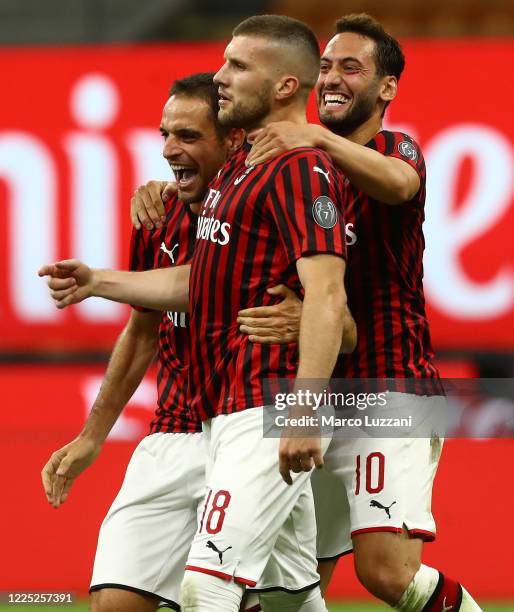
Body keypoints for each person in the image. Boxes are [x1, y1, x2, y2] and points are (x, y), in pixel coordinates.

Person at [40, 15, 353, 612]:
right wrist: (100, 281)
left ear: (285, 85)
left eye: (237, 65)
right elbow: (202, 282)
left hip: (269, 402)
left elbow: (332, 297)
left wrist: (305, 409)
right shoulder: (231, 176)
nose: (222, 75)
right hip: (215, 411)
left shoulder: (299, 168)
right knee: (287, 599)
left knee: (208, 587)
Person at [239, 13, 482, 612]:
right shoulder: (308, 174)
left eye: (352, 67)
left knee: (387, 575)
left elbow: (400, 185)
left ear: (387, 87)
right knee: (290, 586)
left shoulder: (392, 151)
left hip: (389, 386)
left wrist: (318, 136)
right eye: (325, 66)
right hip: (317, 392)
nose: (332, 78)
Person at [40, 73, 257, 612]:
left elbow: (202, 281)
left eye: (187, 136)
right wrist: (91, 437)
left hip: (248, 427)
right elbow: (142, 330)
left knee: (240, 599)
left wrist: (99, 281)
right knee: (114, 604)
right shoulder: (158, 217)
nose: (168, 150)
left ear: (232, 139)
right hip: (174, 428)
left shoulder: (261, 204)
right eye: (165, 134)